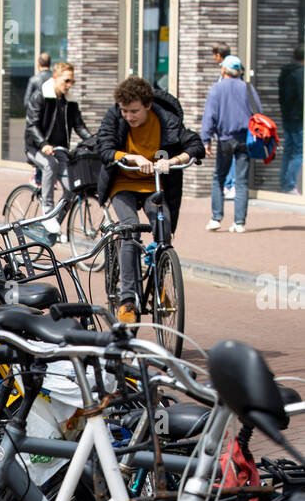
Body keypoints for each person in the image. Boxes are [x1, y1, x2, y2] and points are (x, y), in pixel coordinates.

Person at [96, 75, 205, 323]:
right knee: (129, 229)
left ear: (147, 105)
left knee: (163, 225)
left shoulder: (166, 120)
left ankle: (162, 288)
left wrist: (172, 161)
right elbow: (103, 147)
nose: (129, 116)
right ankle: (127, 302)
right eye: (125, 111)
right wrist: (130, 158)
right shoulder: (115, 117)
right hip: (122, 183)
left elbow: (195, 144)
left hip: (152, 185)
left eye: (134, 111)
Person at [24, 61, 93, 232]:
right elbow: (32, 125)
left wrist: (94, 142)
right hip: (36, 148)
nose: (69, 85)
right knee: (50, 164)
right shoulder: (40, 96)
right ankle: (47, 213)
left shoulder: (70, 101)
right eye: (66, 81)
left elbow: (79, 126)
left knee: (72, 187)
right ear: (55, 78)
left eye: (72, 82)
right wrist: (43, 144)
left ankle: (55, 224)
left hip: (59, 149)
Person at [200, 54, 259, 233]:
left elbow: (209, 116)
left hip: (225, 139)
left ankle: (216, 218)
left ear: (223, 70)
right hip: (244, 139)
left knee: (219, 177)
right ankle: (239, 223)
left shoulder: (217, 89)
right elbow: (259, 112)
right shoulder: (248, 88)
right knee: (241, 181)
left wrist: (206, 140)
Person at [278, 44, 304, 194]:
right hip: (298, 117)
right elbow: (302, 95)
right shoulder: (300, 73)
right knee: (298, 151)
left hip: (287, 116)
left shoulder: (285, 72)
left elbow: (282, 96)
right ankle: (290, 185)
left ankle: (285, 183)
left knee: (289, 150)